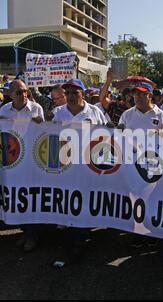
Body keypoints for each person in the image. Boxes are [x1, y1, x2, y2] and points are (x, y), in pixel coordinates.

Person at [52, 79, 107, 266]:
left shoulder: (94, 112)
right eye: (68, 92)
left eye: (76, 92)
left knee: (86, 198)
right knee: (69, 198)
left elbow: (107, 134)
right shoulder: (58, 113)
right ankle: (72, 235)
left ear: (83, 93)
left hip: (88, 165)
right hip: (66, 165)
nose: (72, 96)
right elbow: (49, 134)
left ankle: (79, 239)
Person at [0, 80, 44, 252]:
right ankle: (25, 231)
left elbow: (45, 132)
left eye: (25, 91)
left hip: (32, 160)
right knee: (16, 196)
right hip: (13, 160)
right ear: (9, 94)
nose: (23, 95)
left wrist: (41, 123)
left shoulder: (36, 108)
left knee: (30, 197)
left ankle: (32, 235)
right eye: (18, 92)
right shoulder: (4, 110)